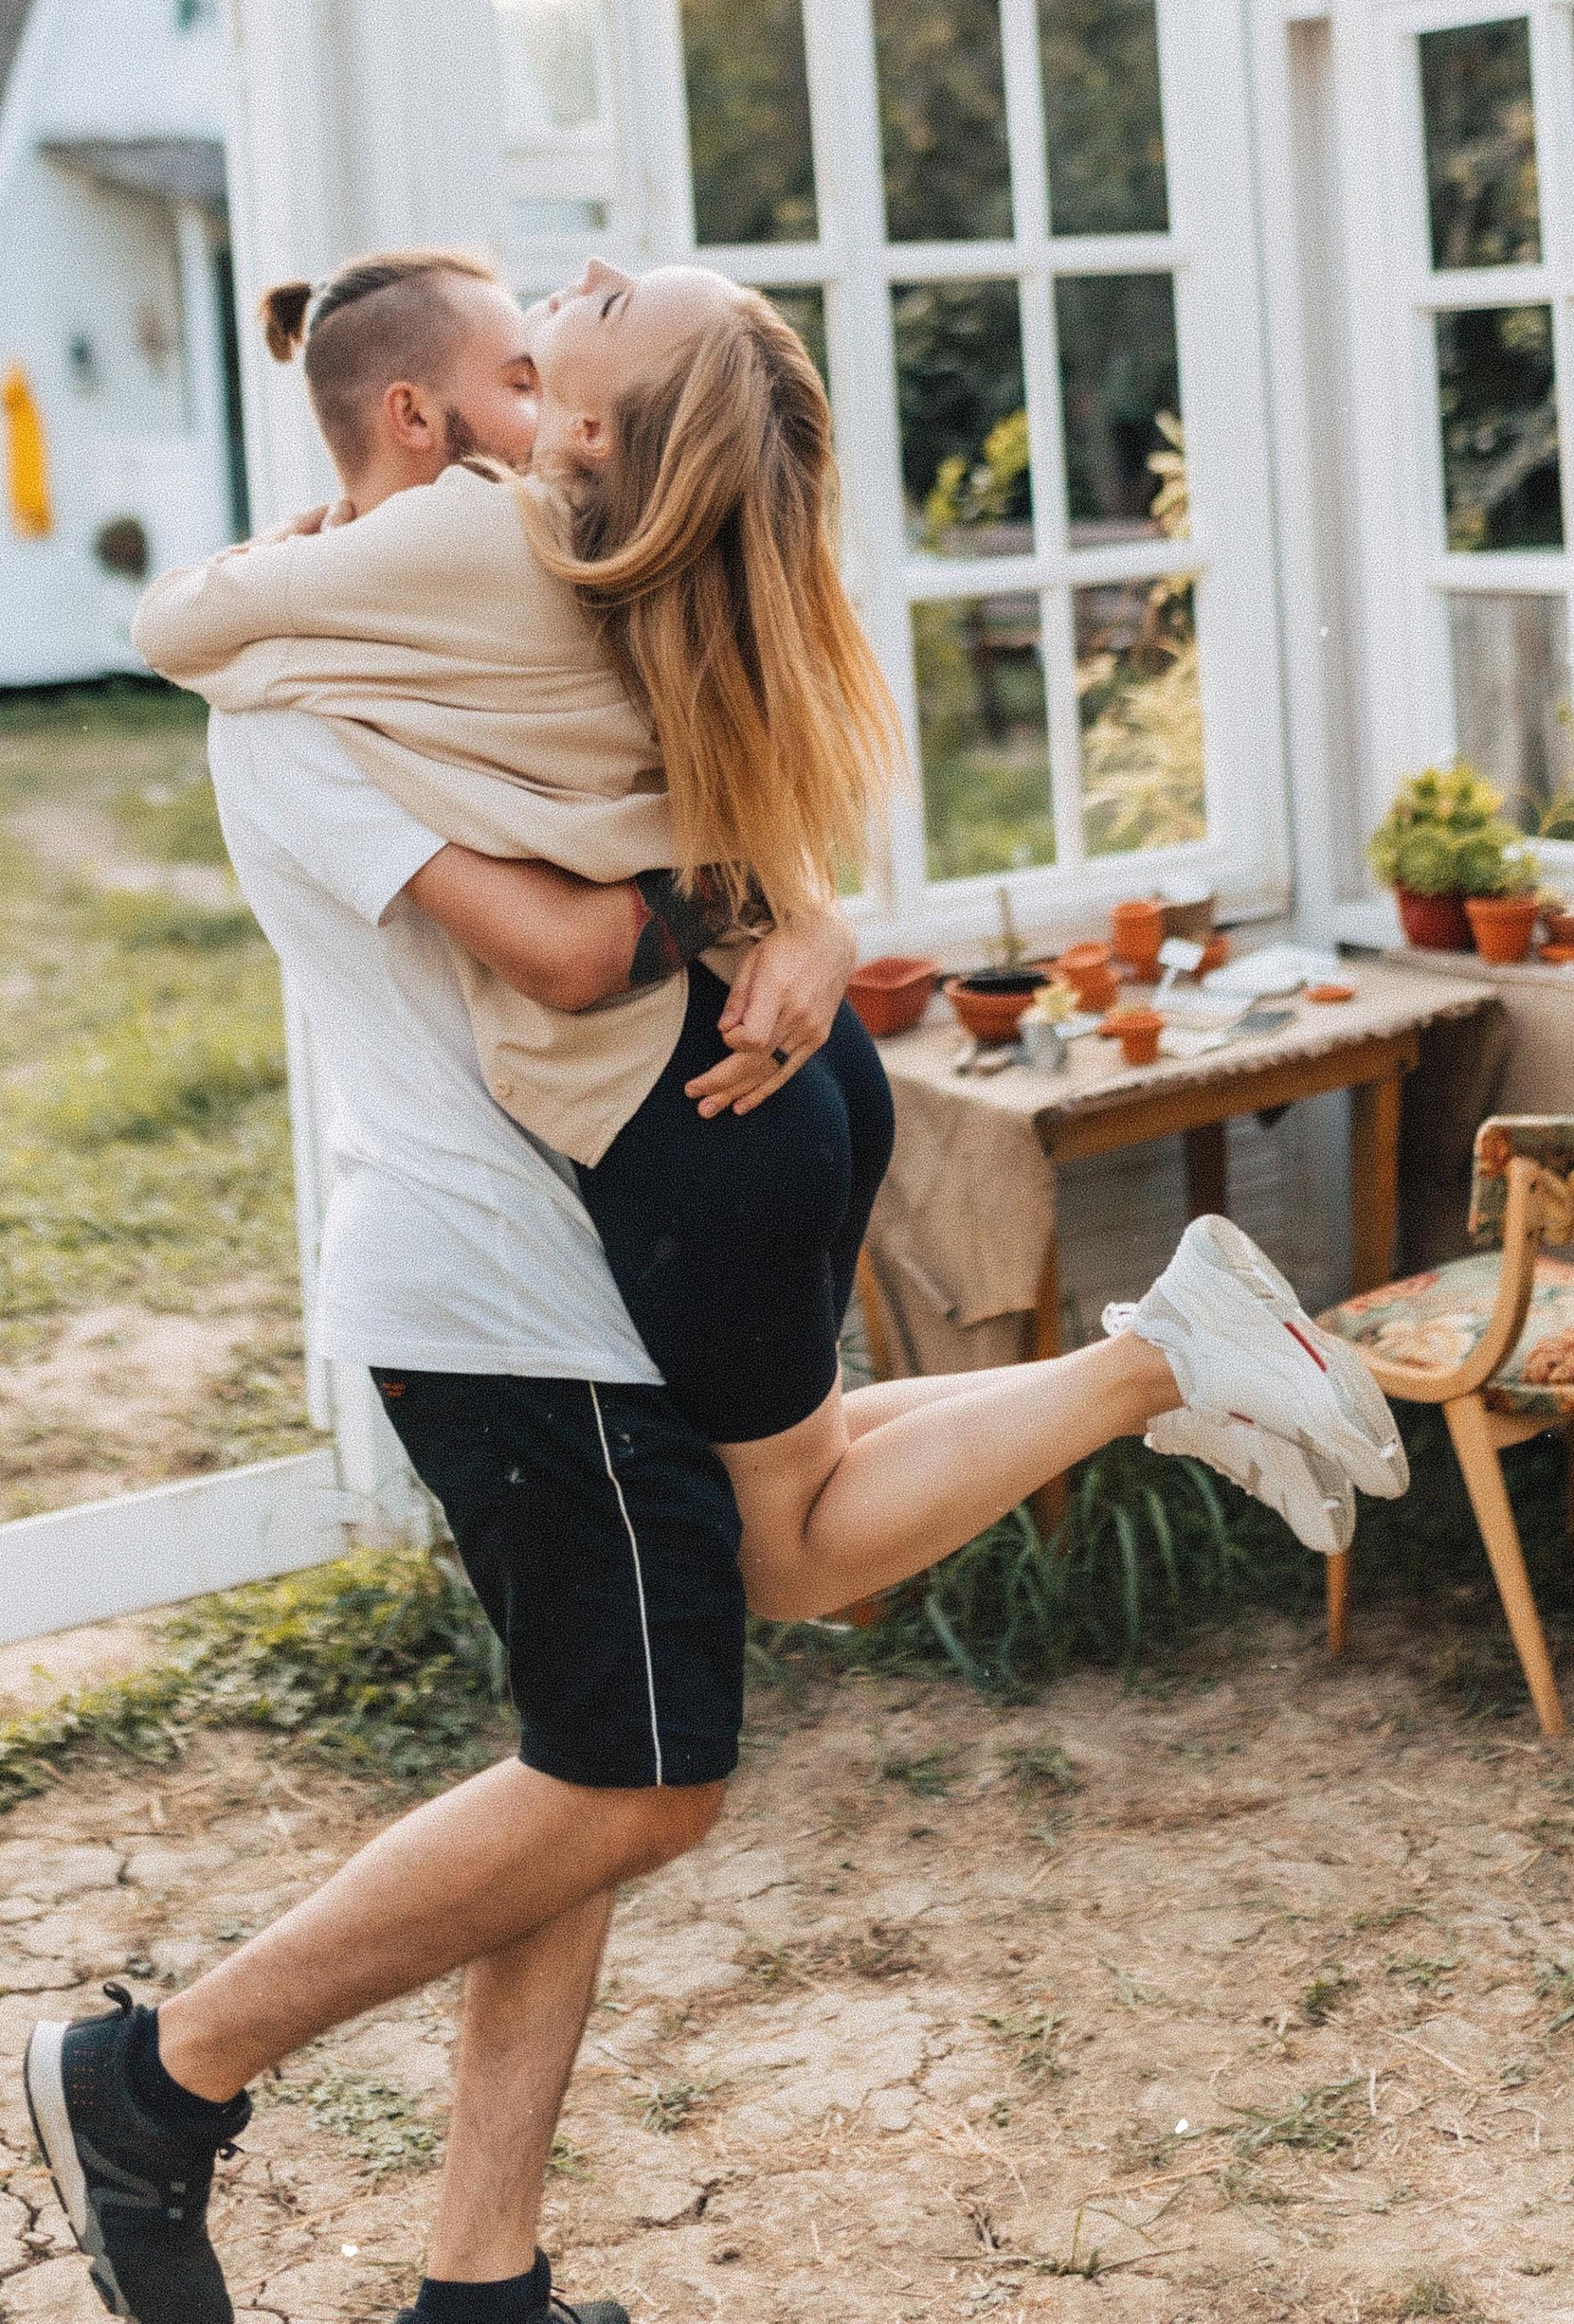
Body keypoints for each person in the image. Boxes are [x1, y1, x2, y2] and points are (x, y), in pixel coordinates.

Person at [135, 248, 1408, 1626]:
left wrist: (300, 554)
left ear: (585, 430)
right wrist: (799, 907)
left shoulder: (476, 537)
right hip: (793, 1069)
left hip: (685, 1110)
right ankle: (1169, 1375)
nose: (597, 266)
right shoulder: (645, 565)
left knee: (785, 1560)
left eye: (604, 310)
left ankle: (1155, 1367)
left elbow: (177, 625)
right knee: (818, 1455)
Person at [25, 250, 856, 2324]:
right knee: (638, 1785)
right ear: (426, 419)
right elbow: (574, 952)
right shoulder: (296, 707)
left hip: (587, 1267)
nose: (536, 407)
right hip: (490, 1294)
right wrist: (719, 906)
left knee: (579, 1789)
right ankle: (157, 2077)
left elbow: (704, 780)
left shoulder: (519, 615)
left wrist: (810, 916)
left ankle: (480, 2283)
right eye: (507, 370)